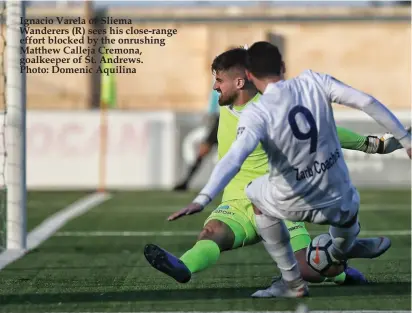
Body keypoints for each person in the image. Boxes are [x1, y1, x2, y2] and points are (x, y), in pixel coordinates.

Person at [144, 47, 410, 290]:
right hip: (238, 199)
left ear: (241, 80)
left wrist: (369, 144)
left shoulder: (267, 109)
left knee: (308, 272)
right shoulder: (228, 105)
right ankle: (184, 266)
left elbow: (320, 129)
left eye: (219, 80)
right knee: (213, 232)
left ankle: (339, 267)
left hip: (278, 197)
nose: (214, 86)